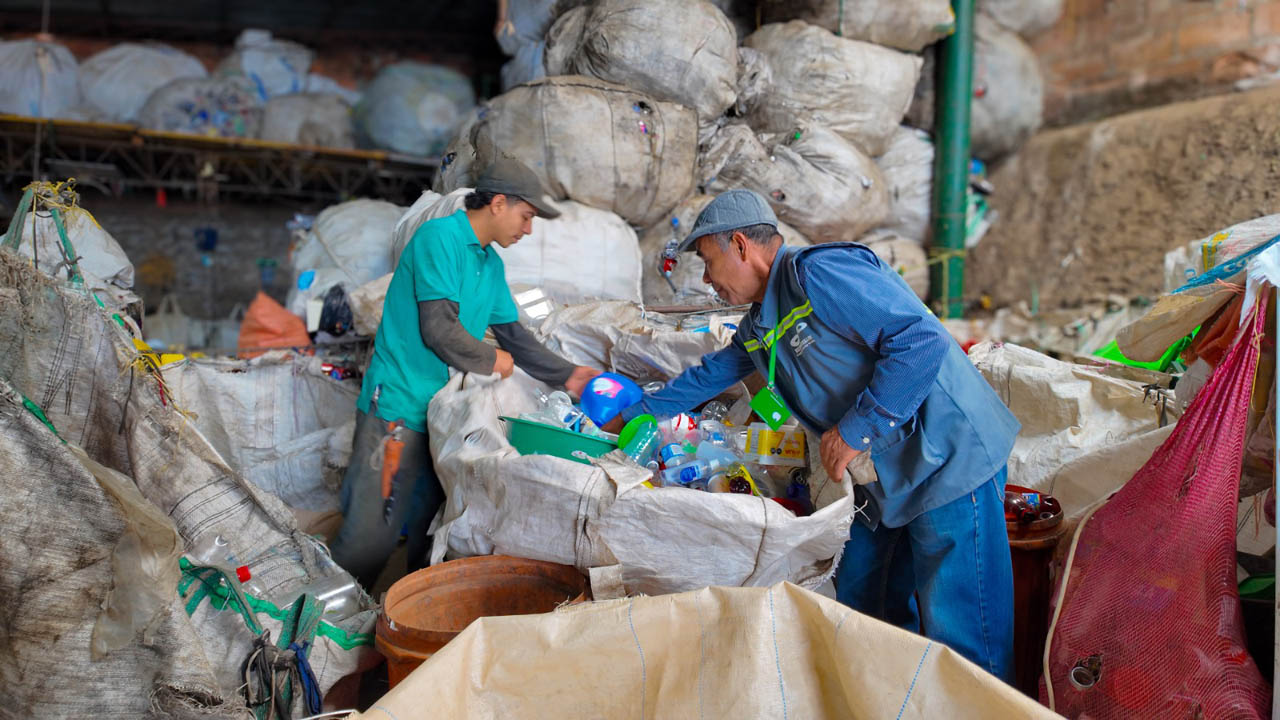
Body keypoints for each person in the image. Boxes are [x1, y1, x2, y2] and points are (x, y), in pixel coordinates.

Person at [609, 189, 1021, 681]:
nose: (706, 279)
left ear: (740, 245)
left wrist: (856, 429)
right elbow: (710, 375)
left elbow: (919, 340)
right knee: (864, 602)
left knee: (964, 632)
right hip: (884, 476)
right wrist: (628, 417)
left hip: (946, 456)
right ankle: (892, 699)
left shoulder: (820, 273)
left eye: (707, 260)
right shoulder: (760, 323)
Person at [330, 157, 600, 588]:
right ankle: (325, 624)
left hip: (442, 416)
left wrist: (568, 375)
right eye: (526, 216)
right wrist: (492, 361)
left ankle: (404, 615)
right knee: (370, 538)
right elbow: (439, 329)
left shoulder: (490, 264)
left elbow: (514, 336)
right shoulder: (440, 238)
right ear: (498, 203)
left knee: (430, 533)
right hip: (397, 408)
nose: (529, 229)